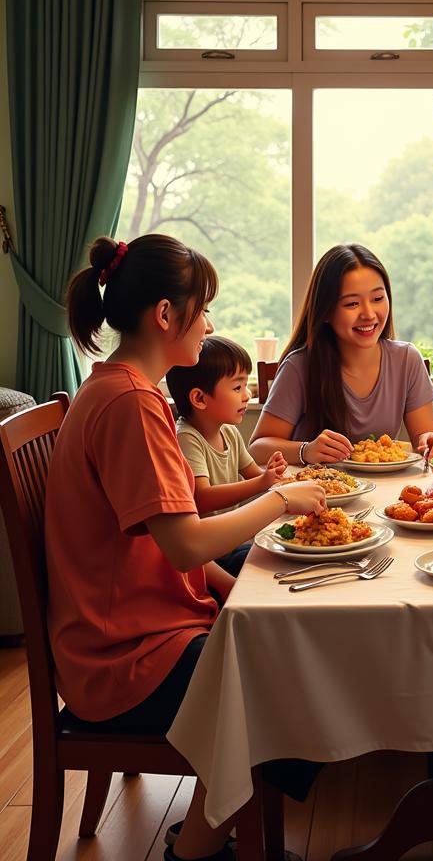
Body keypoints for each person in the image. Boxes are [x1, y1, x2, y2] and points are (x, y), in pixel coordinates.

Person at [46, 234, 326, 861]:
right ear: (166, 315)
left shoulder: (116, 387)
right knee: (286, 679)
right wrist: (278, 500)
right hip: (122, 656)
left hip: (132, 627)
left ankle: (222, 832)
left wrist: (238, 587)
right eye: (204, 310)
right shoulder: (132, 404)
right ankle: (197, 850)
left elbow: (169, 544)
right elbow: (181, 545)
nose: (209, 325)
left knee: (283, 642)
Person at [250, 243, 433, 466]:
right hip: (318, 492)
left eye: (377, 299)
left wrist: (431, 441)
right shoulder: (300, 366)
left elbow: (424, 441)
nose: (369, 314)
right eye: (352, 303)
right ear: (325, 311)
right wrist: (306, 450)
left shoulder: (407, 359)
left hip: (386, 490)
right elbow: (258, 448)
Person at [166, 335, 288, 577]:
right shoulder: (187, 438)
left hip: (231, 539)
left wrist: (271, 473)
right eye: (236, 387)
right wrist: (262, 483)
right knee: (270, 562)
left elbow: (256, 475)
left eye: (245, 386)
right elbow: (202, 497)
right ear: (199, 398)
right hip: (210, 554)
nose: (246, 394)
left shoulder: (229, 431)